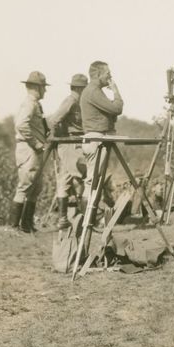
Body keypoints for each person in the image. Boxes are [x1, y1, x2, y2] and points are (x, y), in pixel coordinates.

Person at [79, 61, 125, 223]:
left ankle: (88, 220)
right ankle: (87, 221)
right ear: (98, 74)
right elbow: (116, 109)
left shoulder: (94, 91)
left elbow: (112, 113)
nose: (110, 76)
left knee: (94, 180)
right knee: (92, 180)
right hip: (96, 139)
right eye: (107, 73)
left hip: (99, 138)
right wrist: (116, 91)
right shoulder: (93, 91)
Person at [8, 71, 50, 234]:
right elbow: (21, 125)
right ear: (36, 87)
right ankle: (13, 227)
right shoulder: (30, 104)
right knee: (25, 185)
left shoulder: (34, 104)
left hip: (34, 149)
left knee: (35, 187)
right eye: (43, 87)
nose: (45, 91)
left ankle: (26, 225)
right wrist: (36, 144)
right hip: (29, 149)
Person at [46, 73, 88, 228]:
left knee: (67, 179)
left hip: (76, 143)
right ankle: (79, 218)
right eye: (84, 88)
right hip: (71, 143)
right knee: (79, 178)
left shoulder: (80, 102)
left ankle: (67, 219)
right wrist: (57, 138)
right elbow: (55, 120)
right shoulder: (71, 101)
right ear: (78, 88)